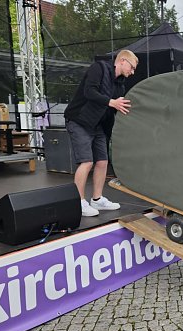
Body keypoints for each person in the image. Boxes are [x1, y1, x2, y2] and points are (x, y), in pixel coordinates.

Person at [64, 50, 138, 217]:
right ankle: (79, 202)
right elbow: (89, 92)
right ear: (123, 61)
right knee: (87, 162)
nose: (132, 72)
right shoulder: (99, 68)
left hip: (97, 125)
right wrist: (111, 102)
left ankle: (97, 199)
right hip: (79, 120)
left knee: (103, 162)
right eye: (132, 67)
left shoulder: (120, 85)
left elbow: (116, 109)